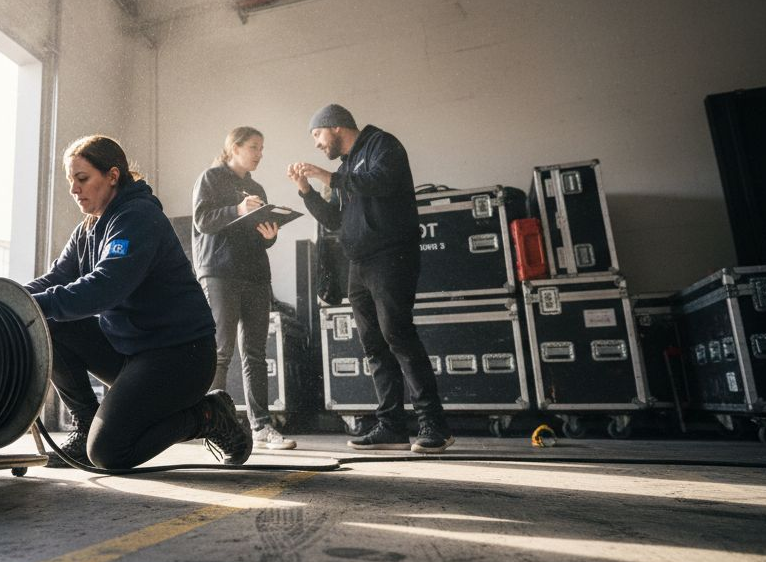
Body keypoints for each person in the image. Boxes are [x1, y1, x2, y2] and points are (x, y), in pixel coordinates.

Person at [28, 135, 253, 469]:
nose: (74, 189)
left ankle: (207, 415)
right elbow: (56, 280)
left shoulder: (138, 217)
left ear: (113, 176)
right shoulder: (89, 228)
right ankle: (86, 422)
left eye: (82, 178)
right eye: (70, 180)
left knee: (107, 453)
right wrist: (7, 300)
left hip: (181, 358)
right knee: (50, 321)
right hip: (133, 353)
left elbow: (106, 287)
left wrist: (32, 305)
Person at [287, 104, 454, 453]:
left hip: (392, 256)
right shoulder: (345, 168)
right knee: (374, 345)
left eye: (317, 135)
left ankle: (434, 425)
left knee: (397, 334)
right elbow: (334, 220)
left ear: (334, 127)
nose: (317, 144)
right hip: (359, 264)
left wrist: (327, 176)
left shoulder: (382, 145)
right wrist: (306, 190)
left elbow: (380, 182)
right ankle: (391, 426)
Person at [192, 127, 296, 451]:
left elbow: (260, 235)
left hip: (254, 275)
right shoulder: (210, 178)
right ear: (234, 148)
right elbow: (202, 221)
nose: (259, 154)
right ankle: (211, 423)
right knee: (221, 351)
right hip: (221, 274)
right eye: (254, 147)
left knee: (256, 353)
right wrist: (238, 210)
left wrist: (270, 235)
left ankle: (262, 426)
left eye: (262, 148)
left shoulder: (256, 186)